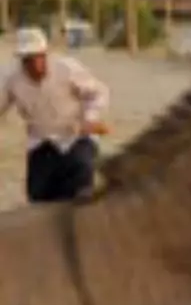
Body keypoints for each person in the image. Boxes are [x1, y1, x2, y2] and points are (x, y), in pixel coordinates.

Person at [0, 26, 110, 203]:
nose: (36, 64)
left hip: (75, 136)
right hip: (42, 142)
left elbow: (99, 93)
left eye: (39, 56)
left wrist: (90, 118)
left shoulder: (67, 69)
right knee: (38, 196)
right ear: (22, 60)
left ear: (46, 53)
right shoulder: (11, 79)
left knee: (81, 182)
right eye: (29, 59)